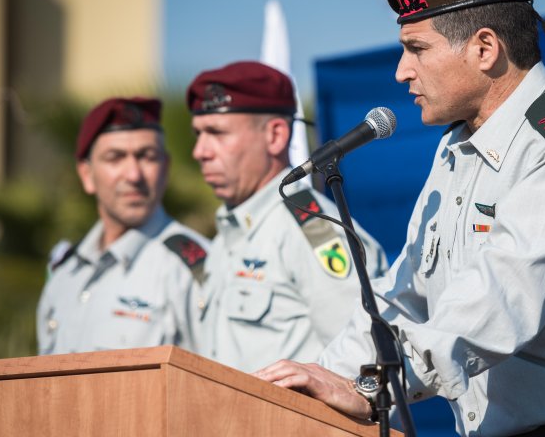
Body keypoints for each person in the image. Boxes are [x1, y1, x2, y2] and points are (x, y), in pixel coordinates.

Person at [254, 0, 545, 436]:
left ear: (484, 48)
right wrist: (319, 382)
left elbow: (509, 287)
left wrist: (373, 385)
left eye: (416, 49)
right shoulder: (457, 150)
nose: (401, 72)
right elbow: (403, 298)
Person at [186, 61, 389, 373]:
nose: (200, 151)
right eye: (198, 134)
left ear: (276, 135)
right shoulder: (229, 231)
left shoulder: (313, 229)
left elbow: (364, 366)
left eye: (216, 132)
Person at [36, 97, 209, 355]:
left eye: (147, 157)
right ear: (87, 175)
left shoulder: (194, 269)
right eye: (115, 158)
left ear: (166, 168)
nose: (133, 175)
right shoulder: (65, 273)